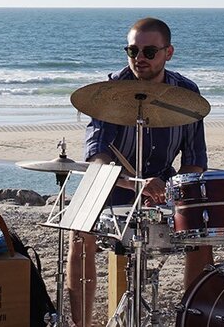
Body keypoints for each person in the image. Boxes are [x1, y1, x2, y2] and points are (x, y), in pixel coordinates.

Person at [67, 18, 209, 327]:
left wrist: (172, 193)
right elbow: (97, 155)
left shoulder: (186, 92)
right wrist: (133, 183)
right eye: (132, 50)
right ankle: (81, 324)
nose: (139, 58)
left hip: (163, 185)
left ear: (168, 52)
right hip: (114, 182)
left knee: (204, 230)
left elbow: (195, 160)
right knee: (80, 232)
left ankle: (191, 319)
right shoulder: (109, 90)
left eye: (148, 51)